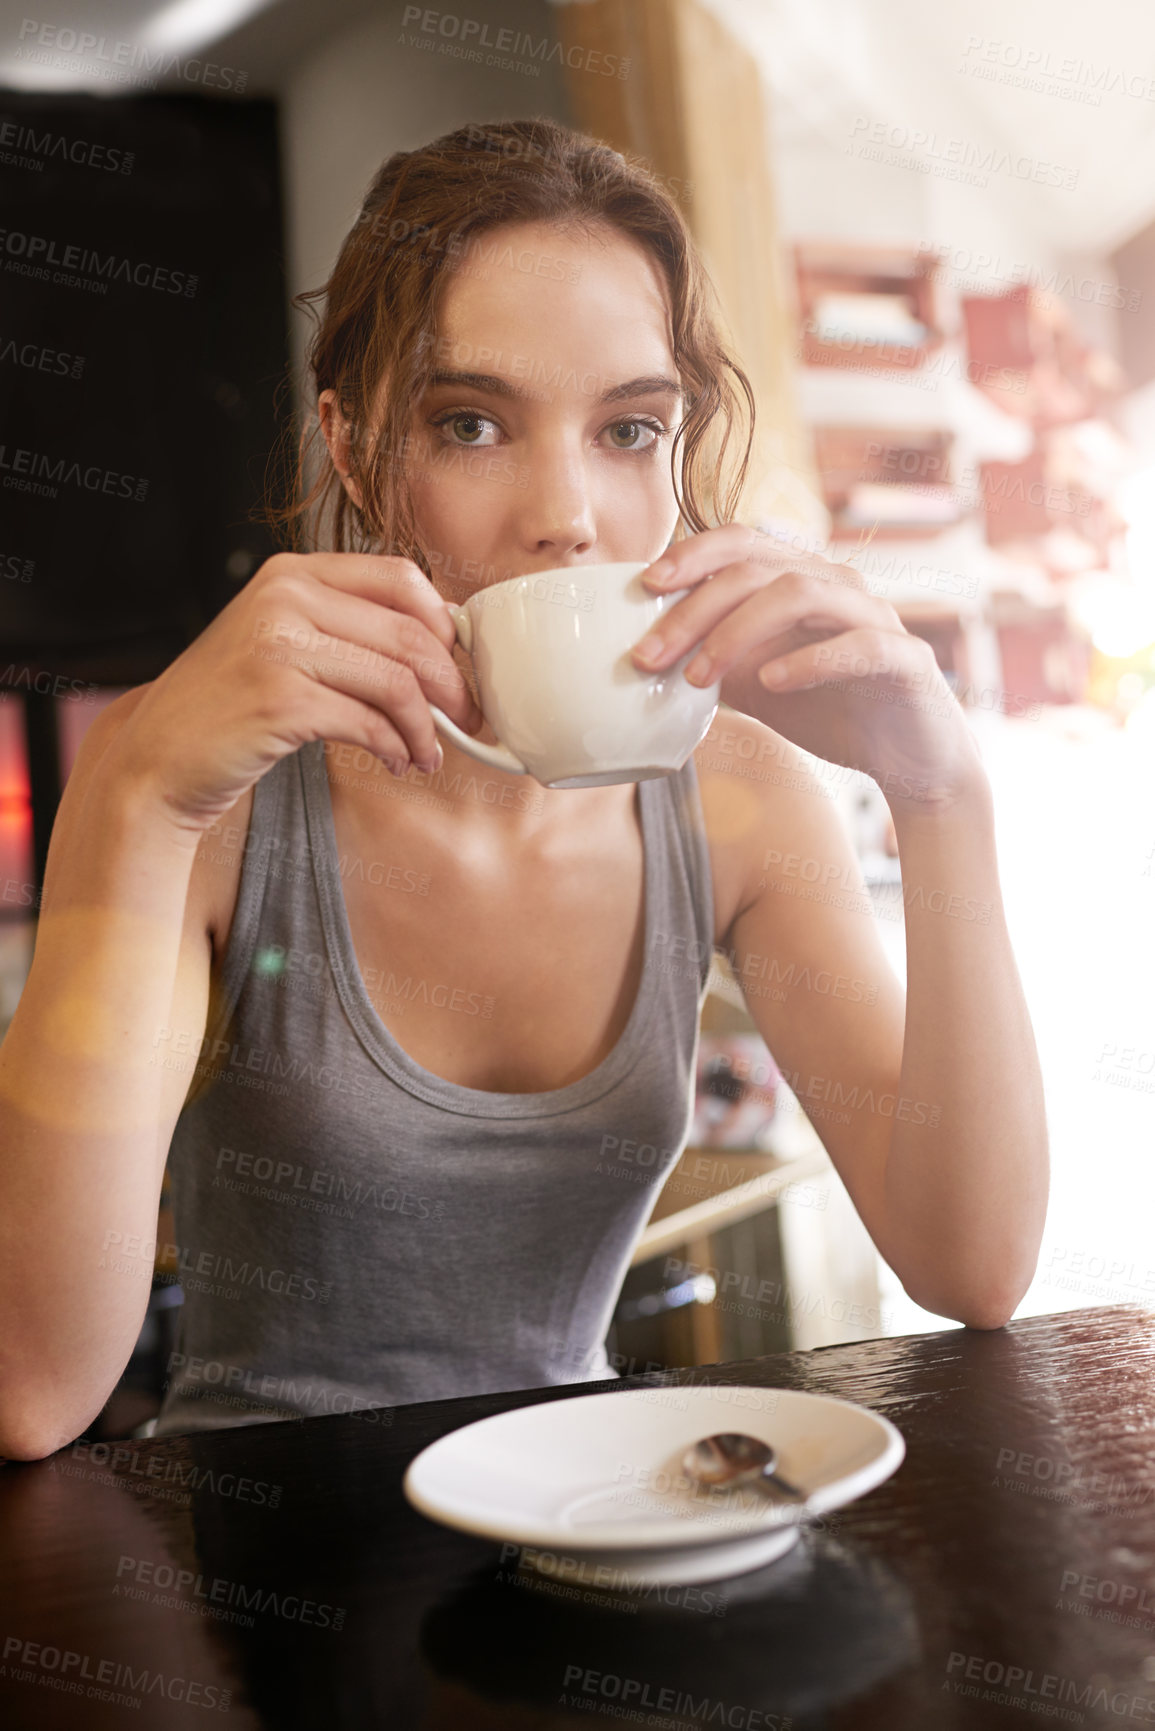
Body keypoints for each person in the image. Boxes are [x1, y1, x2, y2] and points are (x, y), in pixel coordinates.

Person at [0, 118, 1048, 1456]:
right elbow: (30, 1391)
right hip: (259, 1558)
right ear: (361, 446)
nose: (565, 511)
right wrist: (138, 799)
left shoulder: (744, 804)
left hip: (585, 1525)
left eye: (629, 429)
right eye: (474, 423)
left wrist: (944, 796)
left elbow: (974, 1266)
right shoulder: (206, 791)